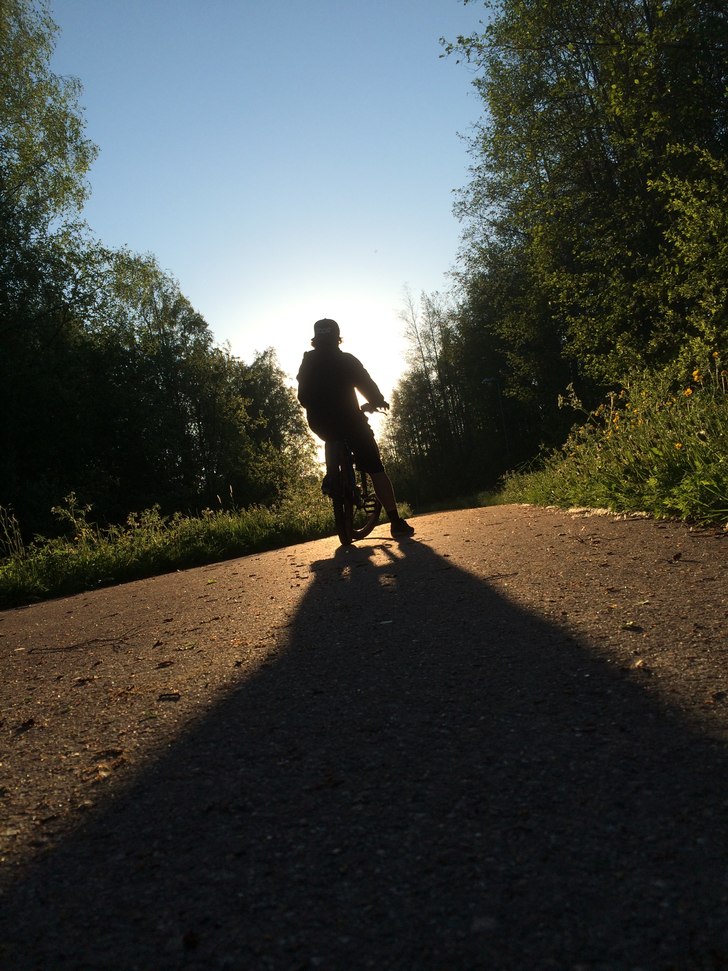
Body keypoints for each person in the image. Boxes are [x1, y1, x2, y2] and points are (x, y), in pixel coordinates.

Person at [297, 318, 415, 538]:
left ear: (316, 339)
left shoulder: (307, 362)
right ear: (337, 337)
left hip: (320, 423)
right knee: (374, 467)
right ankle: (395, 521)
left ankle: (333, 477)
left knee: (331, 437)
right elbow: (365, 384)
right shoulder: (346, 360)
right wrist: (377, 400)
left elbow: (302, 397)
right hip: (350, 421)